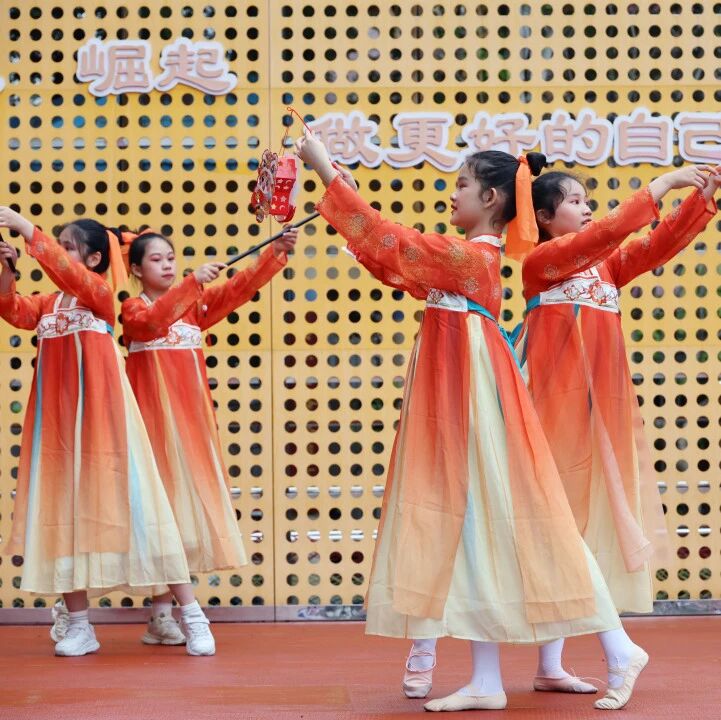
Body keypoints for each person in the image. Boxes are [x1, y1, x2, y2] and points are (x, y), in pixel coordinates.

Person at [294, 131, 646, 712]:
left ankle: (619, 646)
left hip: (473, 396)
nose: (452, 193)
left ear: (490, 198)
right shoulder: (462, 259)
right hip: (460, 393)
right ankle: (487, 679)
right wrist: (343, 198)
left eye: (461, 185)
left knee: (527, 523)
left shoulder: (471, 258)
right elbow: (394, 262)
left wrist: (327, 172)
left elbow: (394, 243)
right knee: (478, 531)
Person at [516, 165, 719, 701]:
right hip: (555, 418)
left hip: (600, 418)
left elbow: (655, 245)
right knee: (558, 532)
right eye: (574, 201)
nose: (586, 208)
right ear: (543, 217)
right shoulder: (541, 263)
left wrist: (698, 200)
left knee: (571, 534)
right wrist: (663, 183)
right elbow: (608, 232)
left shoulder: (604, 267)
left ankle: (551, 666)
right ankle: (613, 652)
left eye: (587, 200)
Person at [0, 209, 214, 656]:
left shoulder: (99, 295)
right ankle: (79, 625)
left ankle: (192, 616)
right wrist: (7, 270)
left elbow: (70, 275)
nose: (61, 252)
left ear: (95, 259)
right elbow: (12, 309)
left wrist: (27, 230)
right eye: (59, 245)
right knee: (64, 515)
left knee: (147, 510)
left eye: (69, 246)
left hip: (108, 420)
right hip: (59, 425)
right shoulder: (48, 304)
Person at [119, 227, 296, 645]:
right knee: (158, 518)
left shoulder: (194, 307)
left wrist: (274, 253)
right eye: (156, 259)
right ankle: (163, 613)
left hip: (192, 429)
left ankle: (160, 615)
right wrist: (192, 282)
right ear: (136, 269)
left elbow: (239, 288)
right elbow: (151, 323)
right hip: (151, 431)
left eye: (171, 257)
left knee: (179, 520)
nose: (167, 264)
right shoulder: (132, 309)